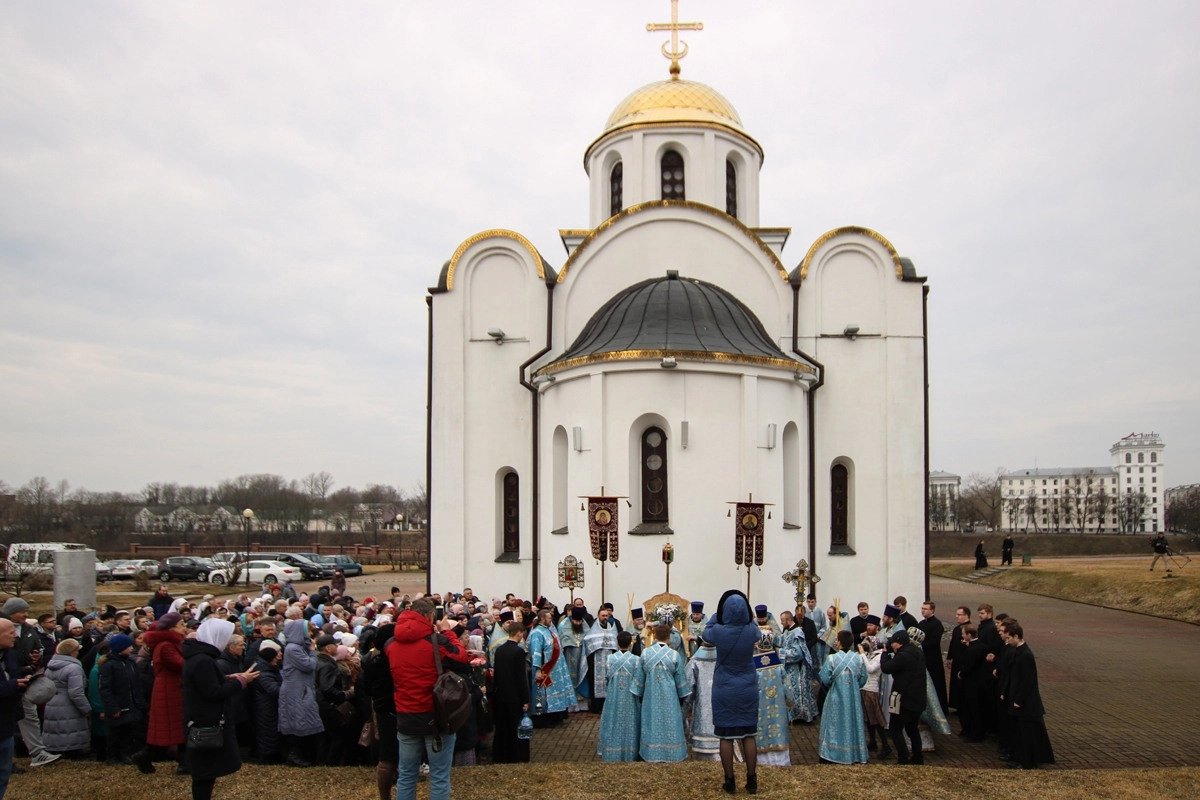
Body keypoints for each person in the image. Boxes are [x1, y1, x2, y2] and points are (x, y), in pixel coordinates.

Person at [387, 597, 471, 800]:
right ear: (431, 615)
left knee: (406, 774)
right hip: (435, 715)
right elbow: (461, 656)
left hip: (406, 715)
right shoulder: (437, 641)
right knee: (439, 775)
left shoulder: (391, 643)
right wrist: (447, 632)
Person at [182, 617, 259, 800]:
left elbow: (204, 683)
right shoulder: (203, 660)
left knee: (207, 770)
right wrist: (241, 682)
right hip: (205, 721)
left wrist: (228, 678)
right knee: (204, 772)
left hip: (202, 717)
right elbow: (213, 692)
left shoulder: (201, 657)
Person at [703, 590, 759, 795]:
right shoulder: (751, 630)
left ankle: (730, 781)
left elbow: (706, 632)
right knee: (749, 735)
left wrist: (717, 615)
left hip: (724, 687)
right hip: (747, 686)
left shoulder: (718, 631)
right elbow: (755, 626)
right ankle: (752, 780)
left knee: (726, 736)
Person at [0, 597, 58, 768]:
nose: (26, 615)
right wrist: (14, 681)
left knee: (28, 716)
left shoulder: (27, 630)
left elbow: (36, 648)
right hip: (9, 687)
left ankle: (36, 753)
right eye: (22, 612)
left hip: (17, 683)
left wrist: (33, 662)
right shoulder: (5, 633)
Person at [997, 619, 1055, 770]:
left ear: (1016, 636)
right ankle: (1020, 758)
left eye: (1009, 638)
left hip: (1026, 704)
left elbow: (1028, 681)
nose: (1007, 641)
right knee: (1020, 733)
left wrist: (1019, 700)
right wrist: (1005, 692)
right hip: (1017, 699)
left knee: (1027, 734)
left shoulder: (1025, 655)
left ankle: (1027, 762)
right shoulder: (1018, 652)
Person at [630, 623, 690, 762]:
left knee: (651, 722)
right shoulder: (674, 655)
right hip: (670, 697)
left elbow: (639, 679)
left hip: (650, 697)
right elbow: (681, 681)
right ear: (669, 637)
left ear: (655, 636)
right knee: (671, 722)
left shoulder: (646, 654)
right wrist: (682, 697)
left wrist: (639, 694)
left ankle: (650, 753)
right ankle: (672, 753)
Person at [140, 611, 186, 773]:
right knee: (166, 728)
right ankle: (144, 756)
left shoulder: (171, 643)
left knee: (176, 727)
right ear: (171, 628)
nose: (184, 627)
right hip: (168, 690)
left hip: (174, 687)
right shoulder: (165, 646)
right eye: (181, 625)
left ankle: (185, 762)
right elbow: (181, 664)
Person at [817, 630, 867, 764]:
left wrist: (834, 684)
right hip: (853, 697)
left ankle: (833, 753)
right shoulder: (858, 658)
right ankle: (854, 753)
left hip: (836, 696)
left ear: (839, 642)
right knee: (853, 721)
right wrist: (854, 687)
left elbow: (825, 678)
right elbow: (863, 679)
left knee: (834, 723)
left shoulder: (832, 659)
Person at [278, 617, 322, 767]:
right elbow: (310, 665)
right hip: (296, 691)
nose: (310, 634)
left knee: (303, 720)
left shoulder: (299, 647)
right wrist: (312, 651)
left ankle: (302, 754)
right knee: (297, 721)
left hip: (302, 689)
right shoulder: (293, 649)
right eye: (308, 631)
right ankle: (294, 755)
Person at [879, 630, 926, 765]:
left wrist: (884, 654)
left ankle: (903, 758)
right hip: (918, 698)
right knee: (912, 729)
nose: (891, 645)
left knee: (895, 729)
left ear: (899, 643)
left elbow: (886, 668)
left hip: (903, 700)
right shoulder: (917, 651)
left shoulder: (903, 656)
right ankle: (917, 758)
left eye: (892, 643)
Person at [98, 633, 146, 766]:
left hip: (131, 705)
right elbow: (105, 689)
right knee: (115, 733)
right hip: (118, 706)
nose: (131, 648)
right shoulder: (109, 666)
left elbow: (137, 685)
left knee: (128, 732)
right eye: (128, 646)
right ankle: (112, 756)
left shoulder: (130, 663)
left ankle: (125, 754)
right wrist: (113, 707)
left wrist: (140, 703)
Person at [43, 639, 91, 758]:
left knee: (56, 730)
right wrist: (86, 709)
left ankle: (57, 753)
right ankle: (73, 755)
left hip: (51, 703)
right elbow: (76, 693)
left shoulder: (50, 667)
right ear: (71, 652)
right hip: (69, 705)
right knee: (71, 731)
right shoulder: (74, 668)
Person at [491, 621, 531, 763]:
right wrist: (525, 699)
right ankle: (517, 755)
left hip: (501, 695)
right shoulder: (518, 652)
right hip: (515, 696)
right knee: (515, 726)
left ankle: (501, 755)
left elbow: (496, 674)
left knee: (502, 726)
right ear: (518, 633)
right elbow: (521, 677)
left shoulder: (500, 650)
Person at [528, 608, 573, 726]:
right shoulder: (537, 632)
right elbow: (536, 652)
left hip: (554, 670)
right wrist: (538, 669)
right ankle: (543, 719)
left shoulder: (548, 630)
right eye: (549, 618)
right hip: (544, 670)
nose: (551, 620)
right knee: (543, 693)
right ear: (542, 619)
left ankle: (555, 717)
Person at [776, 610, 817, 724]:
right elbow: (781, 640)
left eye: (782, 620)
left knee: (796, 692)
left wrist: (781, 652)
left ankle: (800, 716)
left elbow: (798, 654)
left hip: (797, 669)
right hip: (789, 668)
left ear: (789, 620)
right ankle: (792, 716)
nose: (781, 623)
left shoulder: (797, 633)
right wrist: (771, 636)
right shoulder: (787, 631)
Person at [683, 634, 718, 760]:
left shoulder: (695, 660)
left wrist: (685, 708)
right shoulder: (724, 658)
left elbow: (687, 688)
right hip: (721, 706)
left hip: (702, 710)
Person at [249, 640, 282, 765]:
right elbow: (274, 690)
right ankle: (266, 758)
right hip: (265, 707)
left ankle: (271, 755)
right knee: (267, 731)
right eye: (277, 653)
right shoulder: (264, 673)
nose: (280, 655)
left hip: (267, 706)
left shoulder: (268, 669)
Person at [859, 636, 890, 758]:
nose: (866, 645)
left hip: (872, 690)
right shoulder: (869, 655)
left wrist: (862, 654)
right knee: (868, 718)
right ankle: (873, 741)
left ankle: (886, 746)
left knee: (876, 719)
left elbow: (870, 669)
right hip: (864, 688)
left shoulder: (879, 656)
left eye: (868, 643)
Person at [917, 601, 948, 714]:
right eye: (922, 608)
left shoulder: (937, 624)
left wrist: (920, 644)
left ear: (932, 610)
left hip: (933, 659)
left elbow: (934, 642)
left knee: (936, 683)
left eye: (925, 609)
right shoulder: (921, 623)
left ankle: (940, 709)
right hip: (922, 657)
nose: (923, 610)